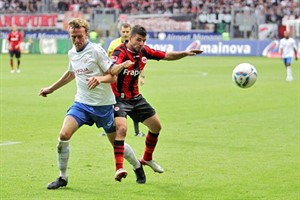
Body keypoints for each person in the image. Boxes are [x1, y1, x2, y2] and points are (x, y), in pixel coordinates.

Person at [39, 18, 146, 190]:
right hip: (81, 104)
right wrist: (51, 89)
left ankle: (137, 166)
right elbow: (70, 73)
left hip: (104, 106)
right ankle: (62, 177)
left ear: (86, 34)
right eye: (73, 37)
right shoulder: (72, 53)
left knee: (115, 144)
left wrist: (99, 79)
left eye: (79, 36)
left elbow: (113, 75)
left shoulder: (96, 50)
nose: (77, 40)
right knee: (63, 136)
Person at [109, 24, 203, 182]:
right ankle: (119, 168)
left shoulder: (144, 51)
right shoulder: (120, 52)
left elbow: (166, 55)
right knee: (122, 129)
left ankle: (146, 158)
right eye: (138, 40)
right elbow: (111, 69)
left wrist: (185, 53)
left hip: (136, 98)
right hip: (118, 98)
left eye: (144, 40)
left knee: (156, 126)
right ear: (130, 38)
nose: (141, 44)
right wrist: (120, 66)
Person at [101, 23, 145, 137]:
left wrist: (142, 76)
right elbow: (107, 62)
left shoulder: (136, 45)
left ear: (131, 33)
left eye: (127, 32)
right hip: (115, 81)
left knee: (134, 104)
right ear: (120, 32)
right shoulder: (114, 44)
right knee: (112, 105)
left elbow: (140, 63)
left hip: (130, 80)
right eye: (123, 31)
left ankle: (137, 131)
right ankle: (108, 129)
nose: (125, 34)